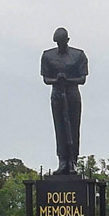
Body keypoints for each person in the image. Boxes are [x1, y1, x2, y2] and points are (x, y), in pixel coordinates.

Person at [41, 27, 89, 175]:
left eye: (62, 42)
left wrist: (67, 80)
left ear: (67, 40)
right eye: (57, 43)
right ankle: (62, 160)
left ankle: (72, 161)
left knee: (73, 128)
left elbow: (82, 79)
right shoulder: (47, 56)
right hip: (57, 94)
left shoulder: (78, 55)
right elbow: (46, 79)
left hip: (72, 93)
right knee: (60, 128)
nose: (59, 45)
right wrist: (57, 80)